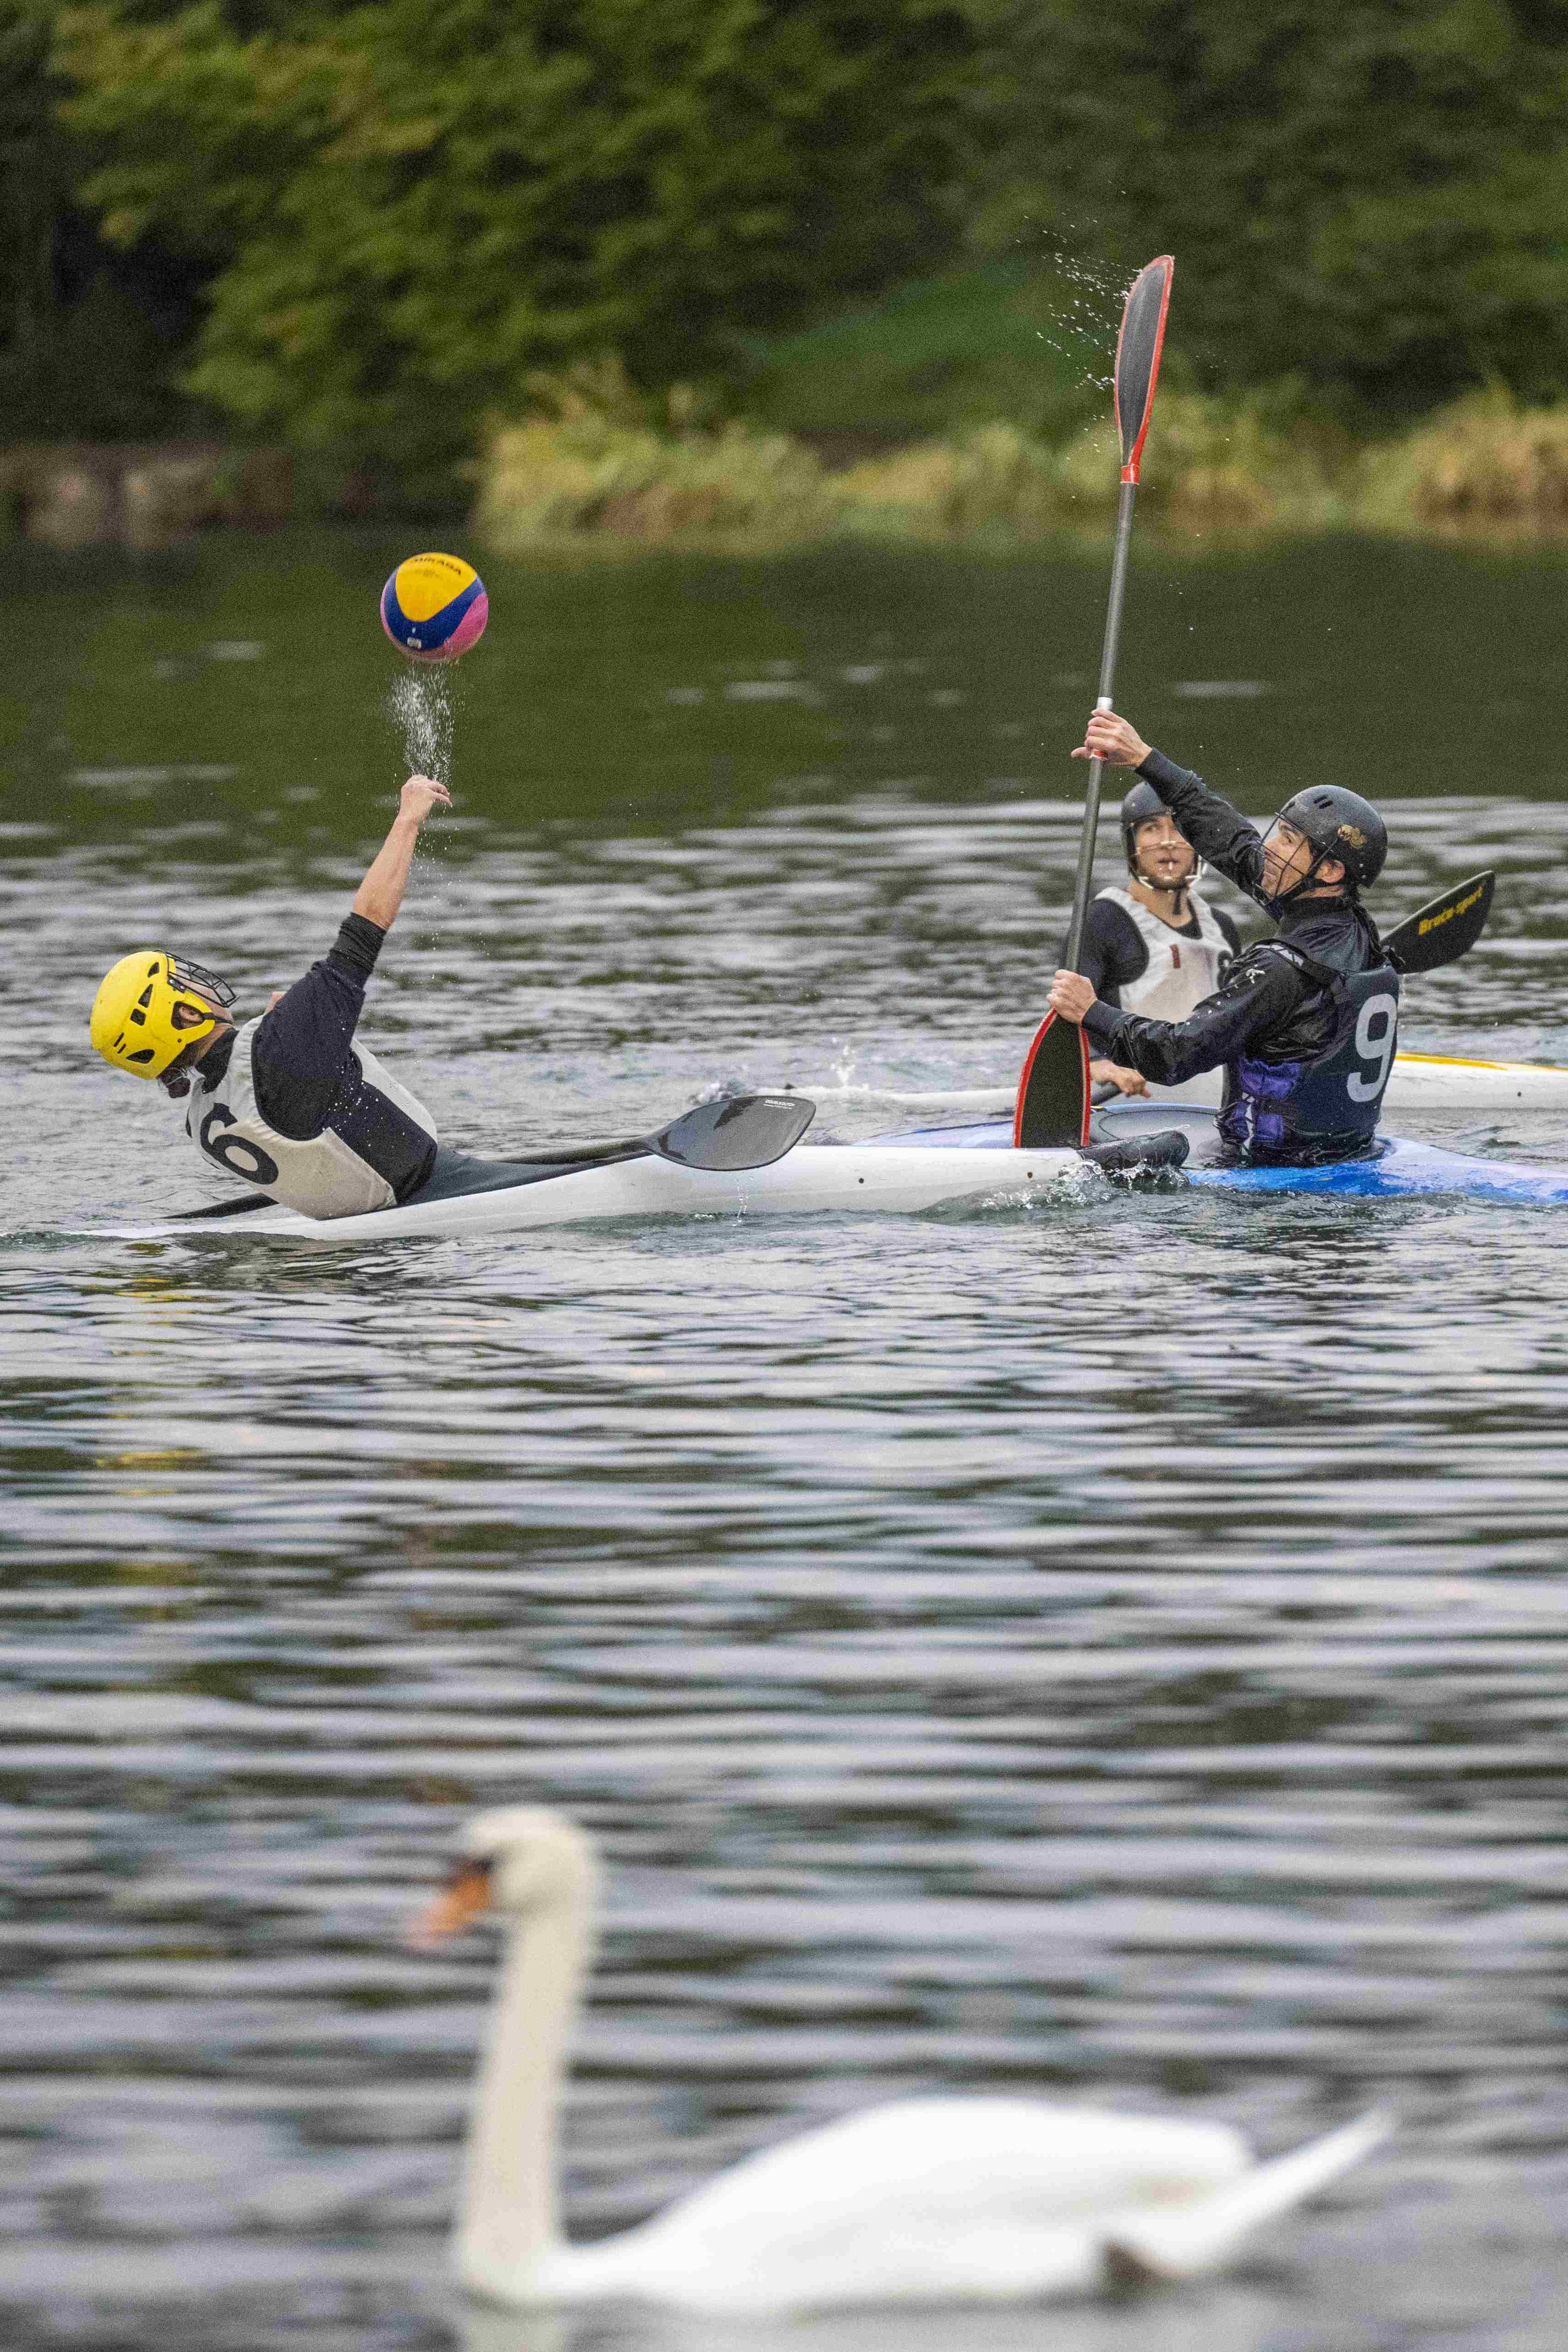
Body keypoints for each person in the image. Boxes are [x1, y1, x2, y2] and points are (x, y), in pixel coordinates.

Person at [89, 775, 537, 1218]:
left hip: (371, 1237)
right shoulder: (281, 1050)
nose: (203, 983)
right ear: (185, 1014)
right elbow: (364, 930)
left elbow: (284, 1105)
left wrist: (290, 1036)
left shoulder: (201, 1123)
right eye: (187, 983)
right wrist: (408, 818)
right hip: (436, 1190)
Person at [1047, 712, 1400, 1165]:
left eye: (1289, 841)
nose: (1268, 847)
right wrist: (1144, 759)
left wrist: (1091, 1012)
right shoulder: (1359, 932)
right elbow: (1232, 843)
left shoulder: (1279, 969)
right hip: (1353, 1155)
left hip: (1268, 1180)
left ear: (1329, 871)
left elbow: (1175, 1054)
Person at [1072, 779, 1241, 1097]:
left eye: (1178, 828)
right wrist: (1096, 1063)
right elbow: (1065, 1013)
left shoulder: (1222, 928)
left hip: (1214, 1110)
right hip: (1131, 1111)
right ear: (1131, 843)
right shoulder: (1101, 922)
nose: (1167, 842)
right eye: (1151, 829)